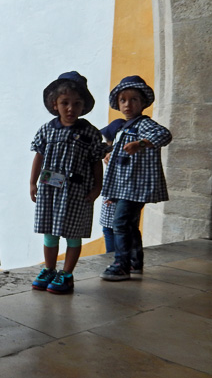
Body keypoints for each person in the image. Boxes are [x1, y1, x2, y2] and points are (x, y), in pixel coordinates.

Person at [30, 71, 106, 295]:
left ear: (83, 106)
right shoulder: (46, 130)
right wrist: (32, 183)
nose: (70, 108)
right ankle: (49, 270)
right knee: (50, 233)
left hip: (77, 191)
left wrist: (97, 188)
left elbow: (96, 162)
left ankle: (67, 274)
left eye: (77, 103)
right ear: (55, 104)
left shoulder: (90, 133)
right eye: (65, 103)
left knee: (73, 234)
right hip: (50, 190)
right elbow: (39, 156)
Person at [99, 76, 172, 281]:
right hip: (125, 187)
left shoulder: (143, 124)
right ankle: (134, 262)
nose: (127, 104)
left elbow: (164, 135)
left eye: (133, 100)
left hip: (135, 187)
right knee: (129, 225)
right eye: (123, 100)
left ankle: (121, 265)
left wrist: (140, 144)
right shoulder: (124, 128)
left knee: (120, 224)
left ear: (142, 103)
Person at [99, 119, 126, 253]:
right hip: (114, 196)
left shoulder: (115, 152)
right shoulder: (116, 152)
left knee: (111, 230)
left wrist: (112, 196)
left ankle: (114, 259)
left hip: (114, 197)